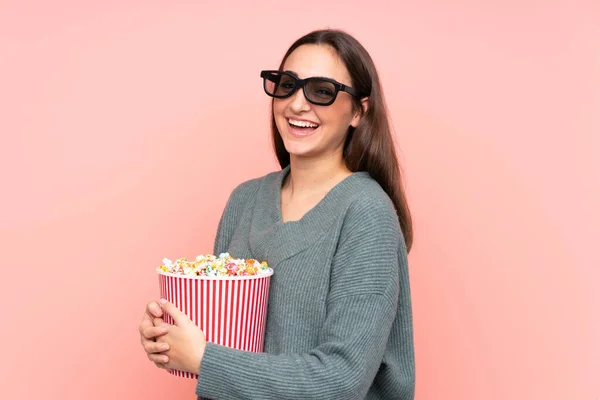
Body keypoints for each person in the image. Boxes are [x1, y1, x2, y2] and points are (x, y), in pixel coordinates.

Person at [139, 28, 415, 400]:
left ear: (358, 112)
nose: (297, 104)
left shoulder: (366, 213)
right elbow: (223, 351)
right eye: (287, 85)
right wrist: (171, 338)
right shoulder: (245, 199)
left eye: (321, 91)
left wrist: (205, 359)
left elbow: (342, 380)